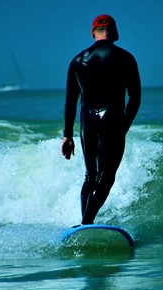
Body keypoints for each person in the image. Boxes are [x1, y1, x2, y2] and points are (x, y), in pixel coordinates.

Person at [61, 14, 141, 225]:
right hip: (112, 121)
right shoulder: (126, 58)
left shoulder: (78, 60)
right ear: (114, 32)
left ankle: (83, 225)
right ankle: (87, 224)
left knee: (90, 176)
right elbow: (135, 98)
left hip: (87, 123)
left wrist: (67, 135)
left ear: (93, 32)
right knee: (106, 177)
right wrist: (124, 125)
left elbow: (70, 101)